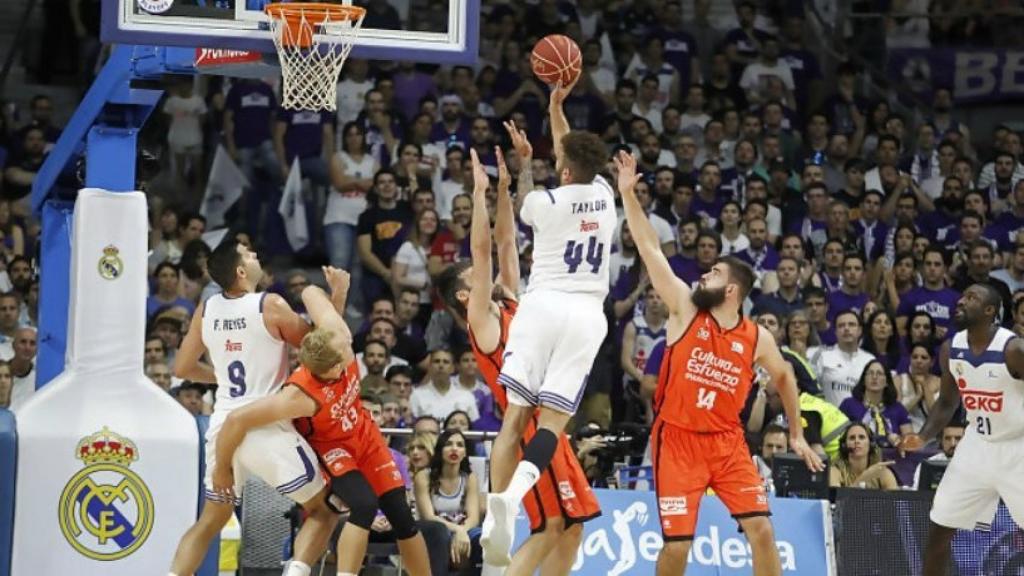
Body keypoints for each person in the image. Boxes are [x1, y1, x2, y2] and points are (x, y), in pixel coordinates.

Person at [616, 150, 822, 576]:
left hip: (727, 443)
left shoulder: (756, 336)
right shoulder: (685, 310)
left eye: (713, 273)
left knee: (762, 531)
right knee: (677, 547)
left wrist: (798, 434)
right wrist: (628, 195)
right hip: (678, 441)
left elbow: (784, 377)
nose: (703, 275)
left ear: (733, 290)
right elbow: (651, 248)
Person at [437, 147, 600, 575]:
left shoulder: (510, 303)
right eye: (474, 276)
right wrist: (478, 193)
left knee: (573, 524)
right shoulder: (481, 321)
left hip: (548, 423)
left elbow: (507, 243)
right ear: (462, 295)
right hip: (524, 425)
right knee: (550, 524)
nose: (484, 274)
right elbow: (485, 250)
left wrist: (508, 188)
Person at [210, 268, 431, 576]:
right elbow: (236, 419)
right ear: (317, 371)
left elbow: (309, 292)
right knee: (364, 506)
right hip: (332, 450)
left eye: (343, 359)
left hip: (364, 435)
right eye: (336, 370)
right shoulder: (298, 396)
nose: (346, 367)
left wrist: (336, 290)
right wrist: (222, 468)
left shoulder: (338, 336)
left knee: (401, 515)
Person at [480, 76, 617, 566]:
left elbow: (523, 205)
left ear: (562, 169)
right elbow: (571, 154)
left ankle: (499, 515)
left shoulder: (548, 201)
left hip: (541, 307)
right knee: (554, 423)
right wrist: (558, 109)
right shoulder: (605, 194)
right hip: (585, 314)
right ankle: (516, 494)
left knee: (515, 418)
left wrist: (523, 163)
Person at [168, 240, 335, 576]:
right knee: (322, 510)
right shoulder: (269, 305)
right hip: (263, 424)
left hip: (223, 424)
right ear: (242, 271)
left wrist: (221, 379)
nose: (256, 254)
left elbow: (182, 368)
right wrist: (335, 299)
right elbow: (320, 346)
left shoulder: (208, 308)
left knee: (211, 519)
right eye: (249, 254)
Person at [902, 284, 1024, 575]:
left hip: (1017, 447)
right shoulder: (951, 348)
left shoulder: (1014, 349)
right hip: (977, 446)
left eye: (971, 298)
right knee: (940, 527)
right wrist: (923, 436)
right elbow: (946, 401)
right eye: (962, 295)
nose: (961, 301)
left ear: (989, 311)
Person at [413, 429, 482, 575]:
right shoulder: (423, 477)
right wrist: (458, 530)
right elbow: (428, 517)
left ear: (465, 452)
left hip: (463, 530)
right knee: (440, 534)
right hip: (433, 531)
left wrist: (462, 531)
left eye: (459, 445)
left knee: (481, 538)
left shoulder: (469, 478)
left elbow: (474, 518)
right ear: (440, 450)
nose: (454, 448)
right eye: (449, 444)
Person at [828, 422, 899, 490]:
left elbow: (895, 501)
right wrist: (866, 475)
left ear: (871, 444)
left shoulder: (882, 472)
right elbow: (837, 500)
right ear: (844, 445)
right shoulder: (835, 471)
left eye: (861, 437)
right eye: (852, 438)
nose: (856, 441)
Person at [912, 422, 965, 489]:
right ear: (941, 441)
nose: (953, 444)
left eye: (958, 438)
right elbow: (917, 493)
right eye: (947, 438)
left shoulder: (976, 464)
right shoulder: (927, 464)